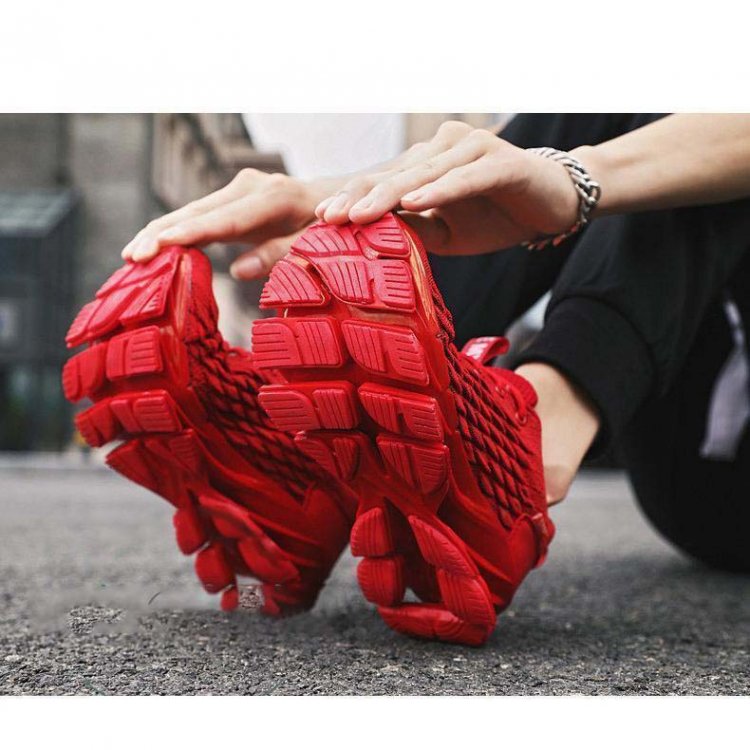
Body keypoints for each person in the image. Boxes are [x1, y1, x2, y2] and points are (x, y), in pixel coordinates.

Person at [75, 114, 750, 644]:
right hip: (686, 458)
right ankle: (312, 475)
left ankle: (532, 437)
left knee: (707, 154)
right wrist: (338, 200)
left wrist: (573, 180)